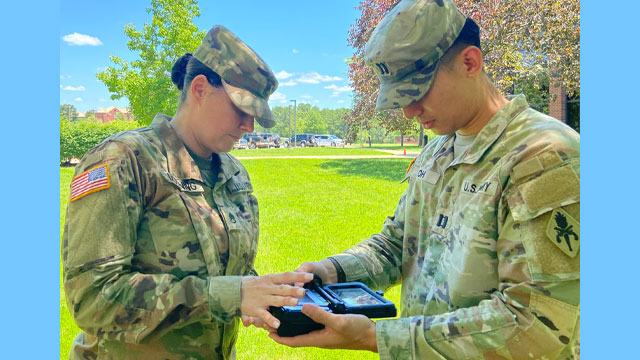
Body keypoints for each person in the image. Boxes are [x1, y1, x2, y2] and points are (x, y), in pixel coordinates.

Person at [262, 0, 580, 359]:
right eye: (400, 98)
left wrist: (378, 338)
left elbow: (537, 321)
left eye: (418, 91)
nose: (409, 111)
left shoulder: (543, 156)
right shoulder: (437, 151)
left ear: (470, 62)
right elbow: (398, 244)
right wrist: (328, 272)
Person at [62, 25, 312, 360]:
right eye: (242, 109)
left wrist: (264, 290)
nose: (249, 126)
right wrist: (231, 295)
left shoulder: (234, 172)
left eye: (255, 115)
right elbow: (92, 298)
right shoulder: (123, 160)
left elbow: (226, 271)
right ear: (199, 88)